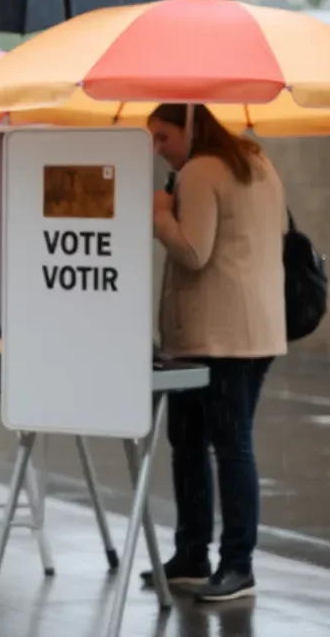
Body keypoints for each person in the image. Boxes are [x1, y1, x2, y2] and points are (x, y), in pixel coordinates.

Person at [144, 103, 287, 602]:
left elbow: (193, 251)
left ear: (190, 125)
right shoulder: (256, 160)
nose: (158, 148)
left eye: (163, 136)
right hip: (253, 330)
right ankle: (193, 555)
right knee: (199, 444)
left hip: (217, 337)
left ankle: (234, 563)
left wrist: (160, 216)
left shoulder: (202, 170)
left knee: (222, 447)